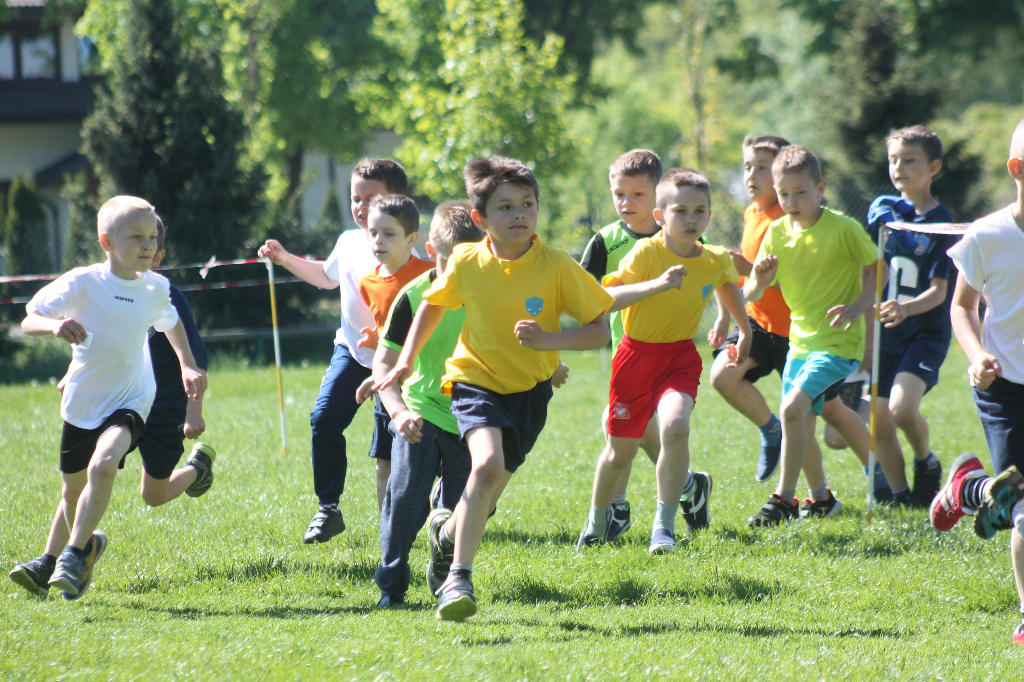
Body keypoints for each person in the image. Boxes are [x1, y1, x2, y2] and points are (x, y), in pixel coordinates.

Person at [374, 156, 613, 621]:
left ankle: (446, 539)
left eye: (527, 204)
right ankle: (458, 580)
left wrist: (552, 342)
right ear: (481, 219)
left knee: (487, 491)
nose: (519, 214)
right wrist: (403, 362)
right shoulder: (466, 260)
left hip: (529, 394)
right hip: (474, 383)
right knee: (486, 465)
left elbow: (599, 330)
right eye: (505, 207)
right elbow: (431, 306)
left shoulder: (558, 266)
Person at [11, 197, 206, 599]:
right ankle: (80, 550)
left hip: (135, 400)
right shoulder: (83, 282)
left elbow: (171, 325)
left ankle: (70, 555)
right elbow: (29, 319)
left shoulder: (156, 287)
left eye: (151, 237)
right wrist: (55, 327)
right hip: (84, 403)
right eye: (136, 237)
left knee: (104, 466)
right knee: (73, 489)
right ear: (107, 241)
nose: (148, 245)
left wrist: (188, 366)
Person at [577, 168, 750, 553]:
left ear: (709, 215)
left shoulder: (714, 257)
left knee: (675, 427)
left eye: (700, 212)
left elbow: (727, 282)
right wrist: (656, 285)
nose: (691, 220)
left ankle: (664, 528)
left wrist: (741, 327)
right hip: (634, 358)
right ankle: (597, 521)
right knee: (620, 453)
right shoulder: (645, 253)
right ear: (660, 216)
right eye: (681, 211)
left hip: (679, 358)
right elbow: (606, 301)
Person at [258, 159, 407, 543]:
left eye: (371, 198)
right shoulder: (348, 241)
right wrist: (285, 257)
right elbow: (326, 277)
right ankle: (329, 508)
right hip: (353, 353)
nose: (360, 206)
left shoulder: (409, 247)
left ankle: (427, 505)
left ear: (397, 199)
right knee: (324, 419)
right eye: (356, 198)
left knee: (395, 444)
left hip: (397, 360)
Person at [744, 145, 893, 526]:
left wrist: (859, 307)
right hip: (800, 343)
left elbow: (880, 271)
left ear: (820, 188)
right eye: (784, 194)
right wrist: (758, 281)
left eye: (801, 192)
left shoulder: (843, 228)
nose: (792, 201)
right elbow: (751, 294)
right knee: (815, 417)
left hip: (838, 343)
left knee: (793, 409)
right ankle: (824, 498)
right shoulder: (776, 233)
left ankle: (785, 500)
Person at [933, 117, 1024, 646]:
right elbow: (962, 306)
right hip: (1004, 387)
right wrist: (977, 354)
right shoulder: (987, 236)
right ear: (1017, 170)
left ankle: (970, 491)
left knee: (1016, 491)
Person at [368, 201, 484, 608]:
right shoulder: (413, 296)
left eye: (474, 260)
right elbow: (383, 362)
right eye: (456, 261)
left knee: (469, 508)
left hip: (471, 416)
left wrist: (552, 364)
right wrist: (398, 413)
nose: (465, 271)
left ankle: (445, 563)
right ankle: (392, 583)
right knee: (405, 499)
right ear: (432, 253)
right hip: (420, 411)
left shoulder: (487, 293)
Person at [841, 126, 954, 507]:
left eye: (910, 160)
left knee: (902, 409)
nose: (899, 167)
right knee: (878, 420)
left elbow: (939, 292)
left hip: (924, 331)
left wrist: (906, 307)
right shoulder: (884, 209)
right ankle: (901, 496)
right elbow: (869, 258)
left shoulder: (943, 222)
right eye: (893, 160)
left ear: (933, 167)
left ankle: (927, 463)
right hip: (887, 333)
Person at [709, 134, 815, 483]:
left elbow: (794, 280)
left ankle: (839, 485)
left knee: (818, 417)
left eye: (763, 168)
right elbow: (739, 278)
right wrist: (725, 318)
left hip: (795, 334)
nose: (751, 176)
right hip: (757, 323)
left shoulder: (789, 220)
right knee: (722, 376)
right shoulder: (751, 213)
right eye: (747, 167)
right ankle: (771, 431)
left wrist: (750, 269)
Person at [578, 149, 664, 542]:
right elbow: (582, 291)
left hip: (668, 349)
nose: (627, 203)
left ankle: (618, 507)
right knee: (630, 426)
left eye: (638, 195)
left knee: (622, 427)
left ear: (658, 194)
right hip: (622, 351)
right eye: (619, 194)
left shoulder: (677, 234)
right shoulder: (606, 241)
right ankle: (687, 486)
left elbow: (710, 273)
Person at [356, 194, 434, 510]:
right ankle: (388, 523)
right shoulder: (368, 282)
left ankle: (443, 513)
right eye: (373, 233)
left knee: (432, 457)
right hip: (388, 385)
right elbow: (389, 327)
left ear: (411, 239)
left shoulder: (430, 274)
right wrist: (376, 339)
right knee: (384, 460)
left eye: (389, 234)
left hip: (428, 382)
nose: (379, 240)